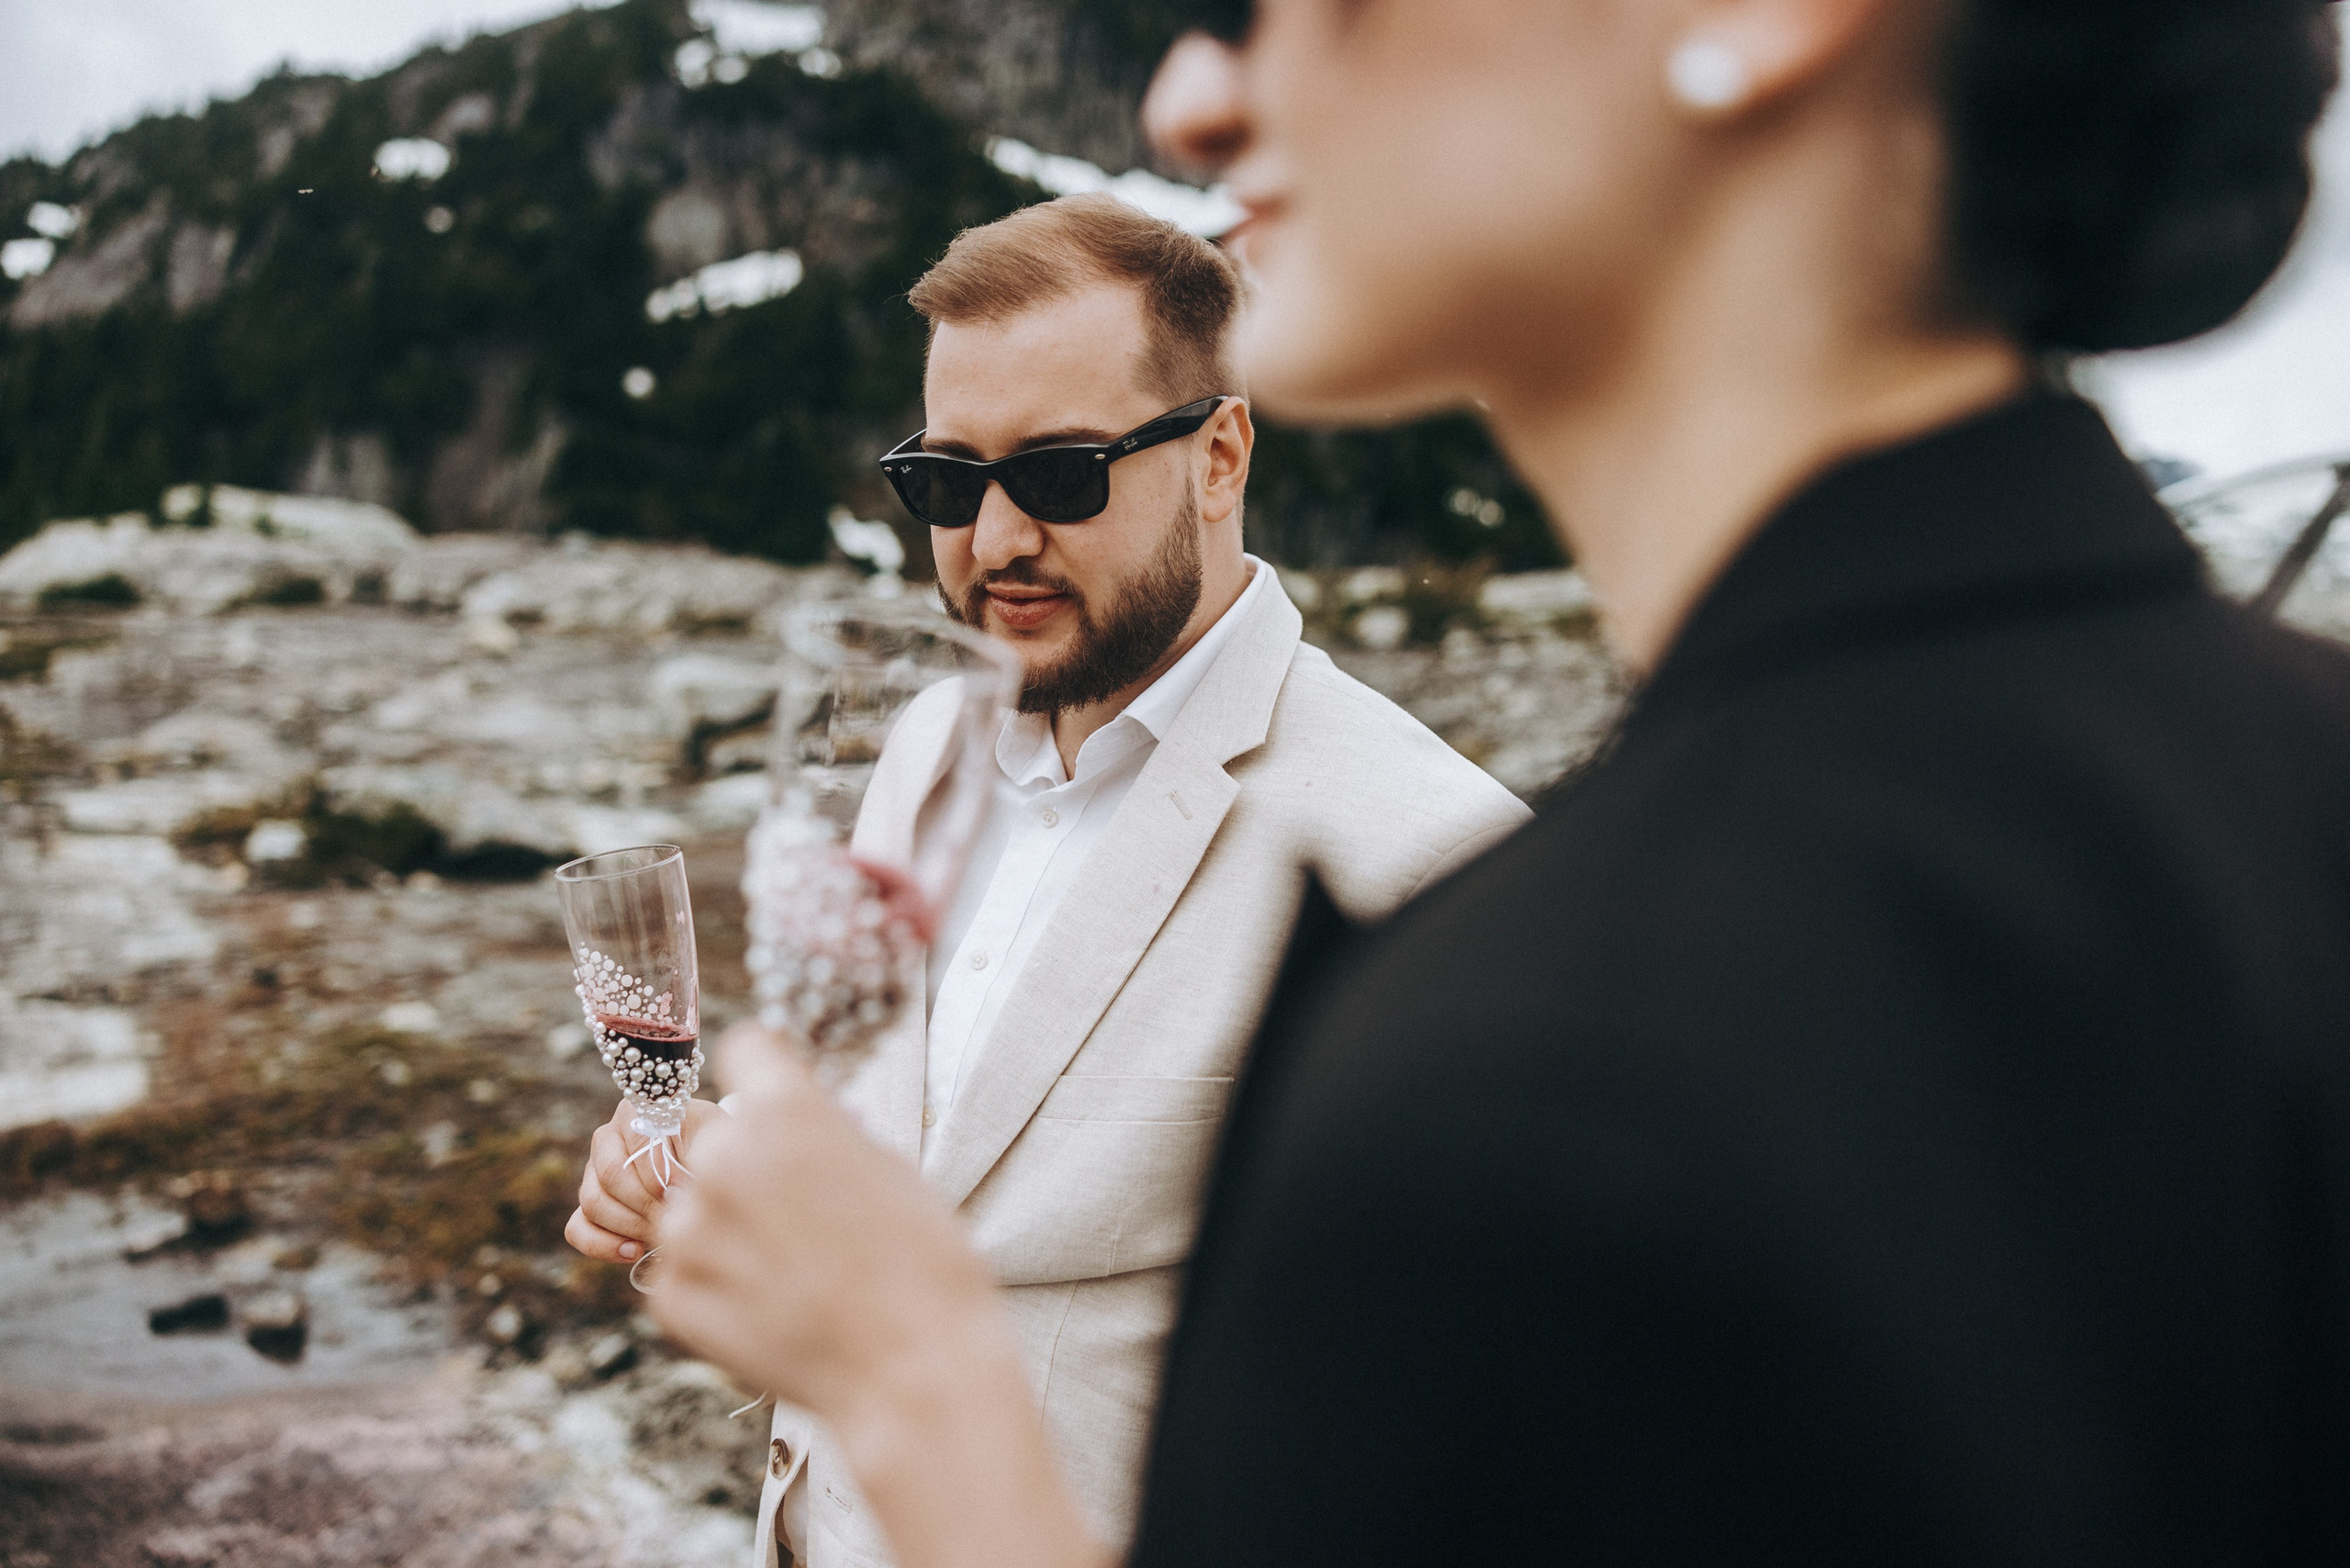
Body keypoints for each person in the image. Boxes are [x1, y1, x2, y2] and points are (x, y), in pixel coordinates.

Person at [647, 1, 2350, 1563]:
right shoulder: (2276, 777)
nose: (1192, 93)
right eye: (946, 479)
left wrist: (915, 1389)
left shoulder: (1531, 1029)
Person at [564, 190, 1529, 1567]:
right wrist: (706, 1187)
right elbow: (901, 1202)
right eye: (946, 483)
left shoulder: (1431, 866)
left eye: (1062, 473)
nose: (997, 540)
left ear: (1220, 454)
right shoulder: (921, 752)